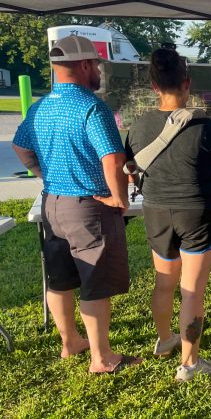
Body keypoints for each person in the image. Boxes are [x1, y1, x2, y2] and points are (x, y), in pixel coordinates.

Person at [12, 35, 140, 374]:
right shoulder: (91, 106)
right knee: (95, 279)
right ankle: (102, 358)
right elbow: (112, 158)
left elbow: (20, 147)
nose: (99, 70)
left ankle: (70, 343)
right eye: (97, 64)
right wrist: (118, 198)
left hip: (52, 202)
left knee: (60, 278)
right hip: (88, 207)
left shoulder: (40, 105)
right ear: (84, 65)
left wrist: (46, 175)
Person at [124, 45, 211, 381]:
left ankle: (165, 341)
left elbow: (131, 167)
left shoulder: (139, 126)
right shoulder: (207, 127)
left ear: (153, 86)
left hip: (156, 211)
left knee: (164, 283)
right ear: (187, 83)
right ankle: (190, 365)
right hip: (198, 212)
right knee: (192, 290)